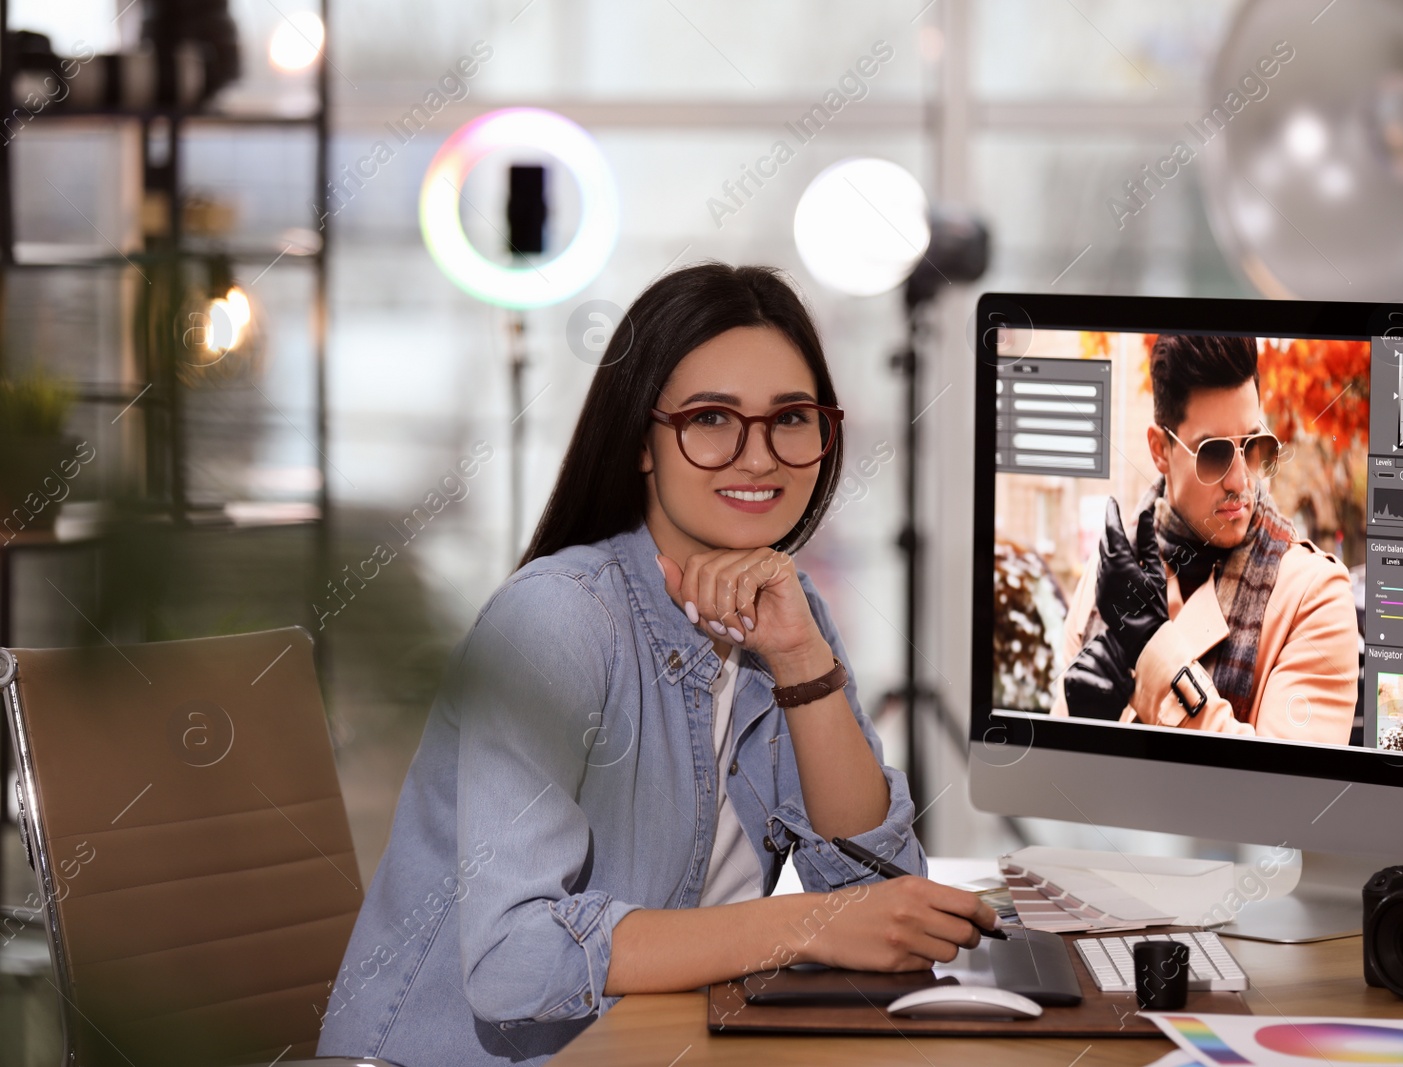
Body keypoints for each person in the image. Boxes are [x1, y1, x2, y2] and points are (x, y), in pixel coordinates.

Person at [316, 264, 996, 1067]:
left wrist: (802, 659)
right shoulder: (559, 617)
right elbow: (513, 963)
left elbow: (877, 890)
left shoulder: (786, 610)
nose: (758, 456)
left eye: (791, 418)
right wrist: (803, 929)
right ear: (642, 441)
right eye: (712, 418)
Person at [1048, 333, 1360, 743]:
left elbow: (1287, 797)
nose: (1240, 480)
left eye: (1252, 445)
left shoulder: (1315, 598)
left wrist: (1154, 652)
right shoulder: (1106, 577)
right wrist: (1083, 729)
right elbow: (1053, 788)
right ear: (1160, 450)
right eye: (1213, 453)